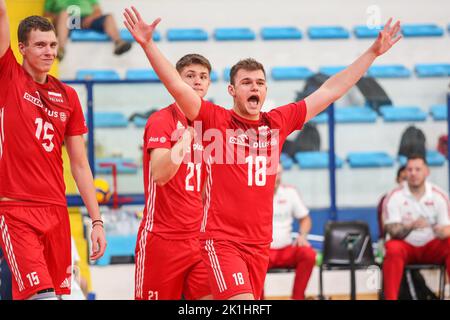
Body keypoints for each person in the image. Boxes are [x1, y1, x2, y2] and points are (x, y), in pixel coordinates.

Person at [123, 6, 401, 300]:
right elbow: (177, 86)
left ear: (266, 89)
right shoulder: (215, 120)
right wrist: (148, 44)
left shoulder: (277, 124)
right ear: (232, 90)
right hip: (221, 242)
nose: (254, 88)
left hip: (259, 245)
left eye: (259, 83)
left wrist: (371, 53)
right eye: (246, 83)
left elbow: (330, 91)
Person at [0, 1, 106, 300]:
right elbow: (2, 13)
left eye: (53, 44)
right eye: (40, 45)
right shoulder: (8, 76)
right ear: (21, 48)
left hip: (57, 211)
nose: (48, 51)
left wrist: (96, 220)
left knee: (58, 296)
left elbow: (80, 165)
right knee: (42, 297)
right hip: (16, 210)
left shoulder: (68, 96)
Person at [134, 54, 212, 300]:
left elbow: (206, 189)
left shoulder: (211, 126)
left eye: (203, 77)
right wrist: (186, 138)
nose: (197, 81)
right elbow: (160, 174)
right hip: (162, 240)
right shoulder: (161, 121)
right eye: (190, 76)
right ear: (175, 81)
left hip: (198, 240)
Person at [382, 154, 450, 300]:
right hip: (406, 246)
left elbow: (447, 228)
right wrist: (411, 226)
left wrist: (440, 230)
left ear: (427, 171)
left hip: (431, 245)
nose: (413, 173)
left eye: (417, 169)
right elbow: (391, 231)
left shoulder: (440, 196)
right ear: (405, 172)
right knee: (392, 248)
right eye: (410, 169)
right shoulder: (394, 196)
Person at [265, 165, 316, 300]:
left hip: (286, 249)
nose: (278, 178)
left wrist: (302, 235)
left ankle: (297, 298)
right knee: (249, 260)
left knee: (308, 254)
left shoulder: (290, 193)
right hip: (264, 252)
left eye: (280, 174)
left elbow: (305, 219)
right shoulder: (255, 195)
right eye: (274, 174)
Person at [44, 0, 132, 60]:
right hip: (67, 20)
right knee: (64, 14)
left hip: (87, 19)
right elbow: (46, 13)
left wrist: (91, 18)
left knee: (109, 17)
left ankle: (118, 42)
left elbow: (98, 10)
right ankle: (61, 49)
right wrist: (58, 17)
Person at [377, 165, 407, 239]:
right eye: (404, 179)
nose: (406, 182)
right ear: (397, 179)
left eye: (409, 179)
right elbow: (384, 230)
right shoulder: (387, 199)